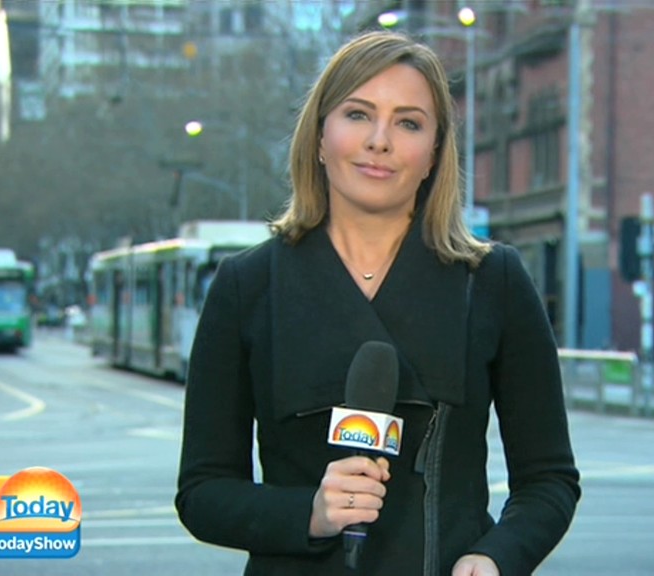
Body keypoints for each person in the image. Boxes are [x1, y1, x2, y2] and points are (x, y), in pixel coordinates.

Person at [175, 30, 580, 576]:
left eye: (408, 123)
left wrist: (494, 557)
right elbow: (202, 492)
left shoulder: (493, 282)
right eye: (358, 114)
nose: (379, 141)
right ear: (320, 136)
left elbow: (549, 480)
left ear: (434, 153)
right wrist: (310, 513)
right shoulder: (247, 286)